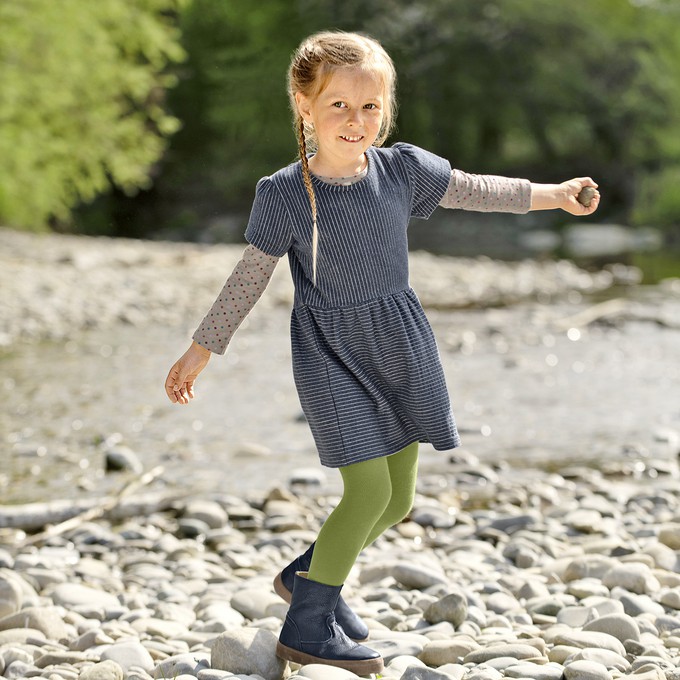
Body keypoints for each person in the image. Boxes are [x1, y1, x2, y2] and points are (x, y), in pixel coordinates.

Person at [165, 30, 600, 675]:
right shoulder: (284, 193)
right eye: (339, 105)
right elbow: (248, 278)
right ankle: (307, 626)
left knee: (398, 499)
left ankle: (309, 576)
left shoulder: (401, 171)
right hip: (332, 354)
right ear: (304, 105)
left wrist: (553, 193)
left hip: (400, 345)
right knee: (366, 493)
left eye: (371, 107)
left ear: (387, 111)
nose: (356, 120)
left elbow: (478, 188)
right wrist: (201, 351)